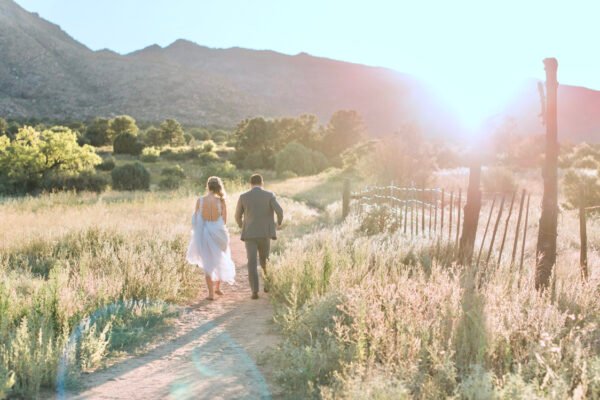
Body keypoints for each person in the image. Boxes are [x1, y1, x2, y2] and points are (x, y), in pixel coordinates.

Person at [235, 174, 284, 299]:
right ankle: (267, 285)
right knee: (265, 260)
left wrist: (242, 225)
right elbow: (280, 211)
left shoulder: (243, 197)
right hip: (265, 233)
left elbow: (237, 216)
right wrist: (278, 223)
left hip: (250, 234)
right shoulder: (269, 195)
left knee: (251, 262)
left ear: (250, 183)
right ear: (262, 183)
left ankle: (254, 291)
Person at [187, 176, 235, 300]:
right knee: (219, 259)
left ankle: (211, 294)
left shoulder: (200, 200)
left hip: (205, 234)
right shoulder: (221, 201)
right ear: (219, 186)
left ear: (208, 186)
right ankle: (218, 288)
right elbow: (224, 220)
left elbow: (195, 219)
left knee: (208, 262)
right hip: (220, 234)